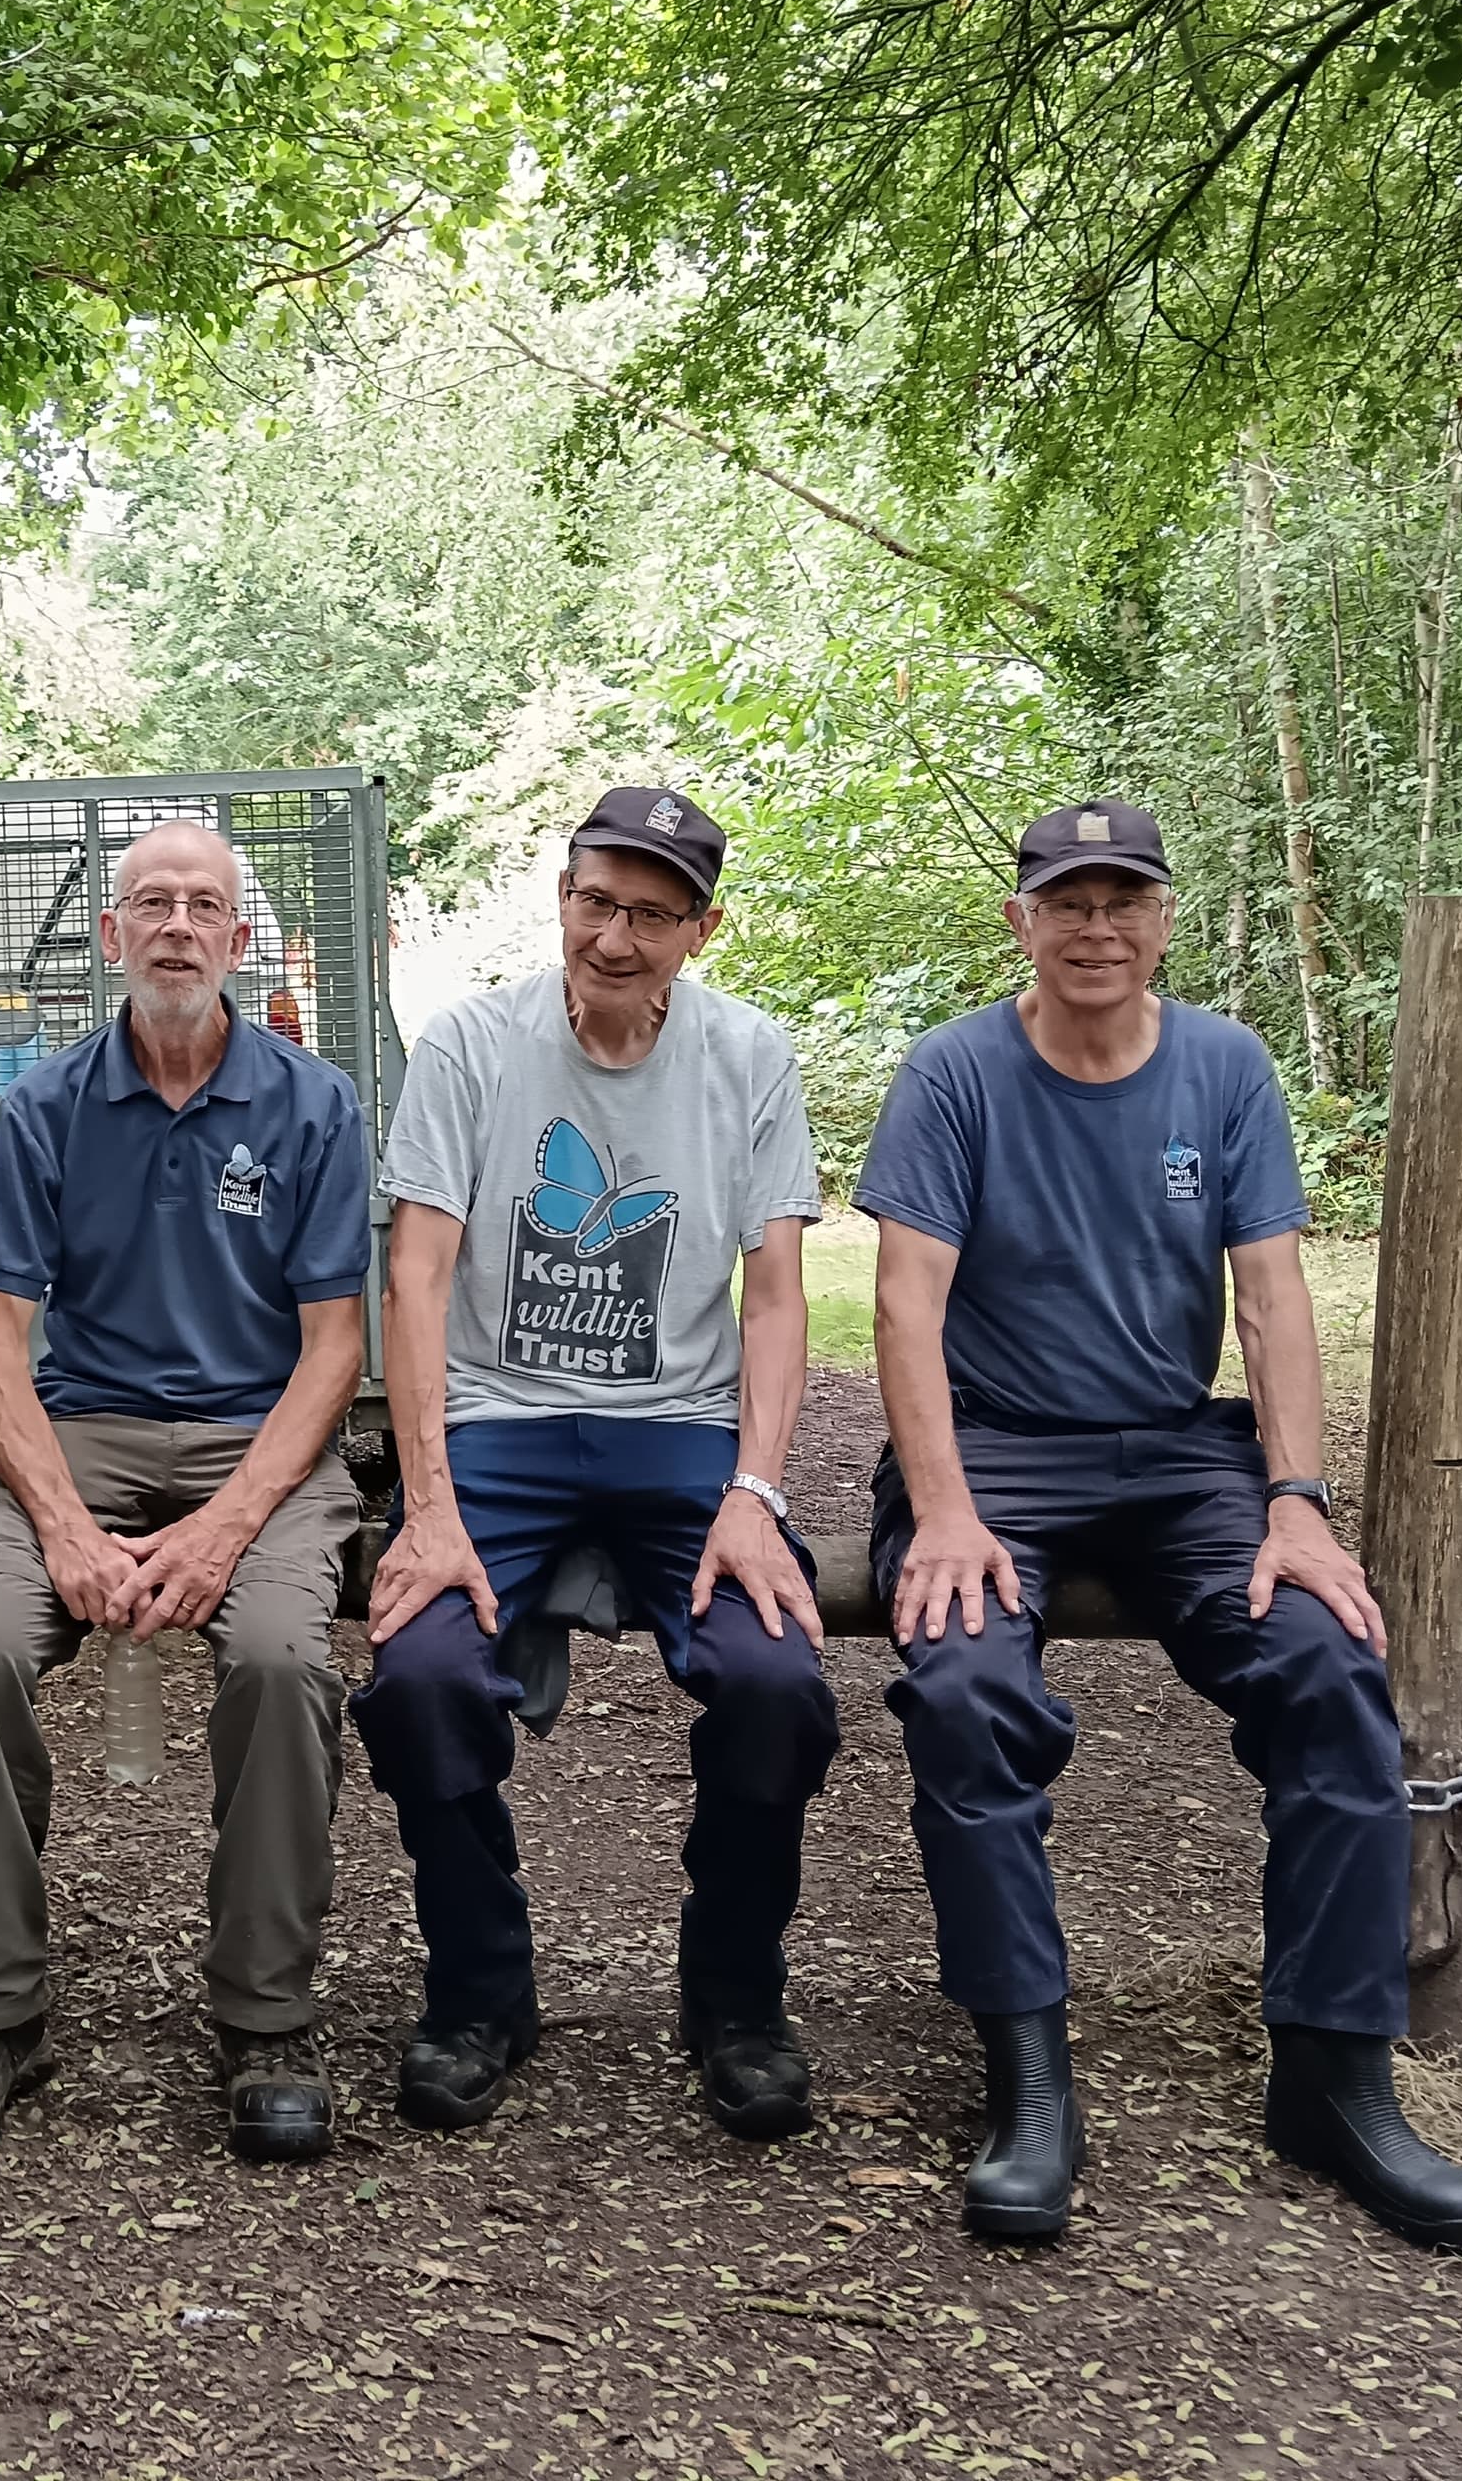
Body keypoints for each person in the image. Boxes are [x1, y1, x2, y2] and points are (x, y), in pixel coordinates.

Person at [858, 798, 1462, 2249]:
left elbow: (1271, 1300)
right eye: (1067, 903)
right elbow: (905, 1303)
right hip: (993, 1448)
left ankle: (1335, 2078)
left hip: (1175, 1455)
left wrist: (1297, 1503)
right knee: (965, 1690)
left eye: (1123, 902)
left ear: (1163, 921)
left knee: (1329, 1664)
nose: (1097, 930)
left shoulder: (1225, 1068)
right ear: (1021, 920)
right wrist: (944, 1508)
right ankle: (1029, 2081)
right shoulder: (954, 1072)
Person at [356, 788, 838, 2139]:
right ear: (561, 896)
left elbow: (780, 1298)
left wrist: (756, 1492)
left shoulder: (749, 1058)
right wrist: (430, 1503)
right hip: (497, 1429)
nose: (613, 938)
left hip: (682, 1433)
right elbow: (419, 1268)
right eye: (592, 901)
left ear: (702, 927)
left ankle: (735, 1992)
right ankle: (478, 1988)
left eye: (649, 913)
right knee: (421, 1678)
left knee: (776, 1681)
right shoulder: (470, 1046)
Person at [0, 819, 373, 2166]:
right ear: (111, 939)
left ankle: (265, 2017)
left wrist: (226, 1527)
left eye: (203, 905)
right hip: (84, 1432)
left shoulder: (312, 1105)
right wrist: (62, 1527)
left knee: (281, 1657)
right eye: (151, 904)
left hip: (255, 1442)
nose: (176, 925)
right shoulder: (46, 1105)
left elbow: (334, 1351)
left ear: (236, 940)